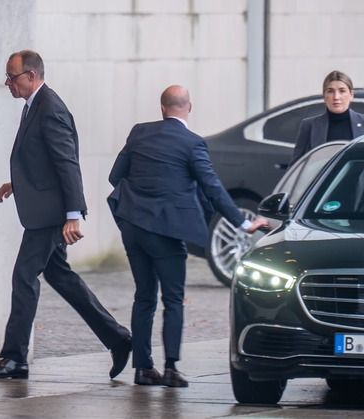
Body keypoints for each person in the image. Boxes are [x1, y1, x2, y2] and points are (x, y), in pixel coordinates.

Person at [0, 50, 132, 380]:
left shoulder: (50, 109)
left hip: (50, 216)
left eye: (12, 76)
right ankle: (118, 338)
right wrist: (15, 184)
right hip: (46, 209)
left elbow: (66, 163)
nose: (7, 83)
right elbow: (43, 162)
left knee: (23, 276)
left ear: (31, 75)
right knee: (60, 277)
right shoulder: (36, 105)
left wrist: (73, 214)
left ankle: (15, 358)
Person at [107, 85, 271, 387]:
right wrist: (244, 223)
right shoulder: (192, 143)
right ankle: (170, 368)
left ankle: (143, 368)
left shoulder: (139, 132)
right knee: (173, 299)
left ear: (162, 108)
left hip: (132, 226)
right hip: (166, 233)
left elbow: (115, 175)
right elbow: (213, 187)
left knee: (144, 297)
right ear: (189, 108)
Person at [289, 70, 364, 166]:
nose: (336, 97)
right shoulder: (309, 126)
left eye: (342, 91)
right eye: (330, 91)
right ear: (324, 96)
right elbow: (296, 166)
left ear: (351, 95)